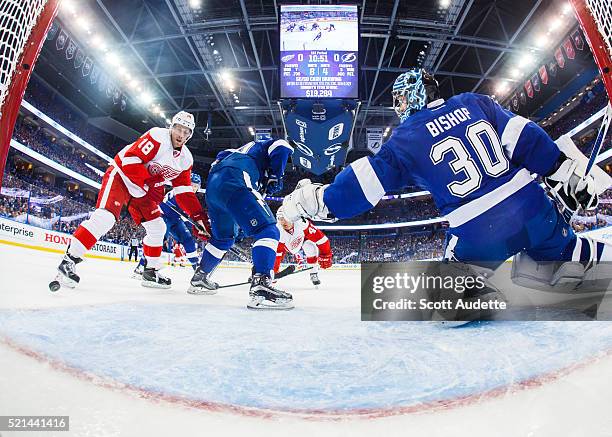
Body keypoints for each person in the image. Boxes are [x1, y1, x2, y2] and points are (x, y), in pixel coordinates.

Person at [281, 68, 611, 287]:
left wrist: (318, 200)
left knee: (442, 303)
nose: (398, 106)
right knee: (568, 253)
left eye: (399, 98)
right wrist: (563, 171)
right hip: (534, 210)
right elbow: (525, 136)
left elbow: (362, 187)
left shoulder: (405, 137)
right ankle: (582, 259)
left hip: (481, 233)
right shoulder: (475, 102)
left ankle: (473, 292)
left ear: (413, 95)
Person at [55, 111, 208, 290]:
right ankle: (69, 260)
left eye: (186, 132)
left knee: (158, 227)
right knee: (105, 218)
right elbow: (129, 161)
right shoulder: (157, 136)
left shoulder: (185, 159)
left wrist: (198, 217)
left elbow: (183, 192)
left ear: (189, 135)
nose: (181, 134)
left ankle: (150, 271)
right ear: (171, 127)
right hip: (121, 176)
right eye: (178, 129)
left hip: (142, 188)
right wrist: (151, 184)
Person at [187, 137, 294, 310]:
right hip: (236, 177)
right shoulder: (260, 149)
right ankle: (261, 286)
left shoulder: (235, 153)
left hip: (214, 187)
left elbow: (221, 159)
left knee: (224, 239)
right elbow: (282, 145)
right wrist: (275, 175)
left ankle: (200, 279)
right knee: (269, 230)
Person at [132, 173, 205, 277]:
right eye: (192, 185)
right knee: (158, 241)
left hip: (176, 220)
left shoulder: (191, 197)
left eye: (196, 186)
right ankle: (141, 267)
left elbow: (190, 213)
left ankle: (197, 272)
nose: (194, 188)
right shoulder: (179, 190)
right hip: (163, 217)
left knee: (188, 240)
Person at [274, 206, 333, 286]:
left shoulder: (302, 223)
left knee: (311, 247)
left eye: (286, 218)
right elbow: (278, 254)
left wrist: (326, 255)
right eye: (280, 218)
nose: (283, 221)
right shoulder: (278, 231)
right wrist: (274, 271)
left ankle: (313, 273)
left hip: (302, 239)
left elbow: (321, 239)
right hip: (286, 245)